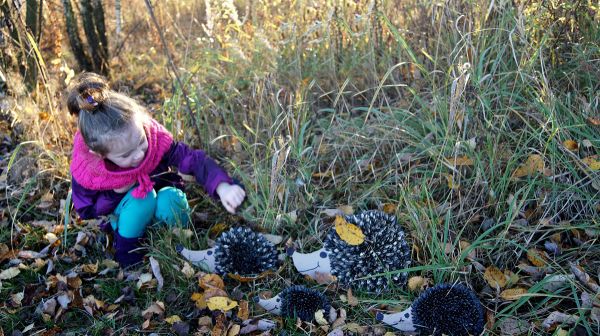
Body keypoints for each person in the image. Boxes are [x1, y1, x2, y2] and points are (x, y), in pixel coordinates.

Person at [67, 72, 246, 266]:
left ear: (142, 125)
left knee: (171, 197)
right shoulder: (90, 170)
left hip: (162, 205)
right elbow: (86, 210)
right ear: (99, 154)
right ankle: (129, 253)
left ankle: (177, 242)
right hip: (126, 215)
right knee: (142, 198)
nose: (139, 155)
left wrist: (223, 186)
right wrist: (113, 194)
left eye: (141, 142)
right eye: (126, 155)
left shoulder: (155, 140)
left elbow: (192, 159)